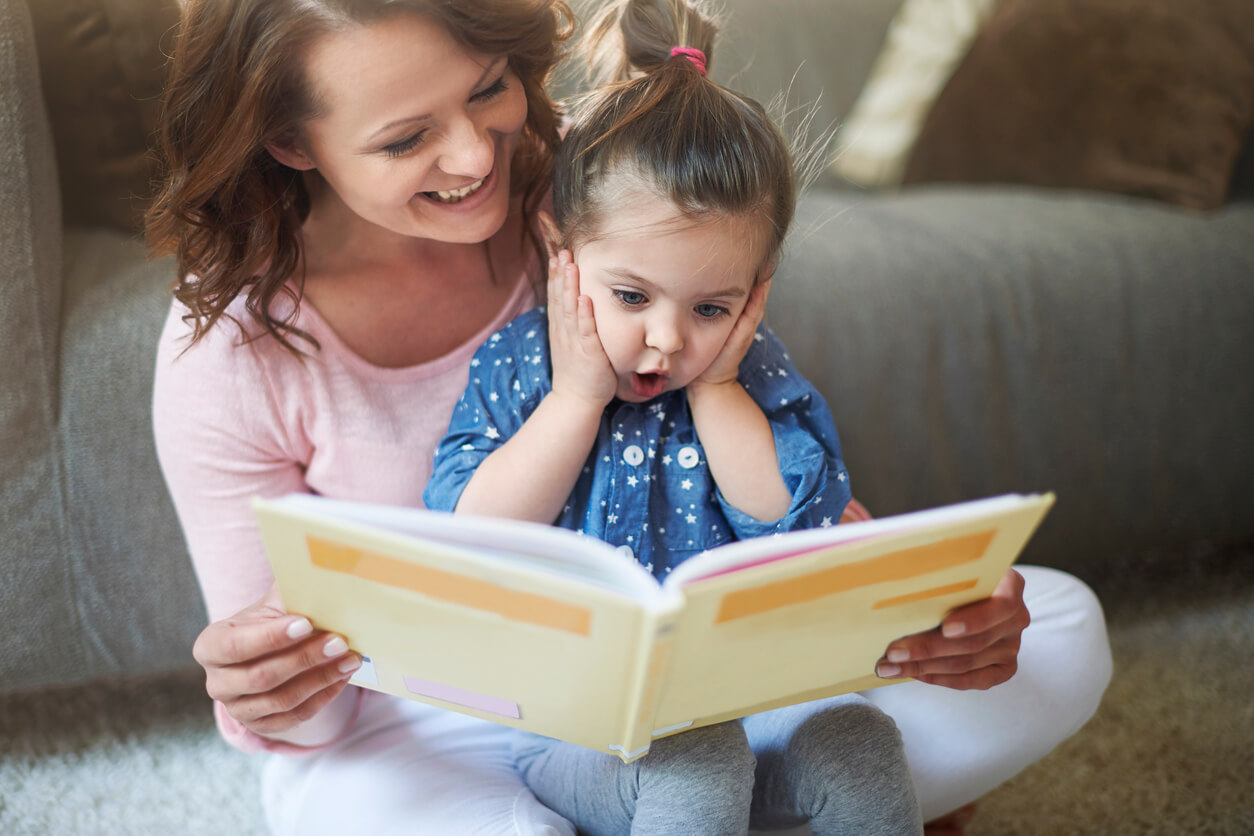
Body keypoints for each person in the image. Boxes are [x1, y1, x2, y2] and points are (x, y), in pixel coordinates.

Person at [147, 0, 1112, 834]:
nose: (476, 154)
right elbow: (312, 715)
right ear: (291, 141)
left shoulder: (605, 185)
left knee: (1062, 629)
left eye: (488, 88)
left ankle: (722, 799)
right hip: (436, 721)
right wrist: (273, 687)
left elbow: (760, 468)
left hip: (708, 683)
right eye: (405, 139)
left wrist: (920, 611)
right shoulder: (231, 356)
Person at [423, 2, 922, 832]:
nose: (666, 340)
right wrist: (578, 398)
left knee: (856, 737)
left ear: (756, 291)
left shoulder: (745, 372)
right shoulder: (520, 366)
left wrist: (720, 388)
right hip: (568, 727)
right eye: (630, 297)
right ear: (559, 247)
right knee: (692, 751)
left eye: (711, 306)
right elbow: (470, 534)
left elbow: (786, 518)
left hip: (748, 698)